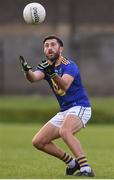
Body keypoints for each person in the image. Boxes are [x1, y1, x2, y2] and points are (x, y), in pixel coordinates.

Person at [20, 35, 95, 177]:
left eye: (53, 45)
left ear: (61, 48)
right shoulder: (47, 67)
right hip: (65, 110)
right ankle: (72, 163)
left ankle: (86, 168)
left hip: (80, 106)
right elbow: (34, 78)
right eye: (46, 45)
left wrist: (52, 74)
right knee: (38, 141)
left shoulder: (69, 65)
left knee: (65, 131)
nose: (49, 48)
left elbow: (65, 85)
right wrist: (26, 71)